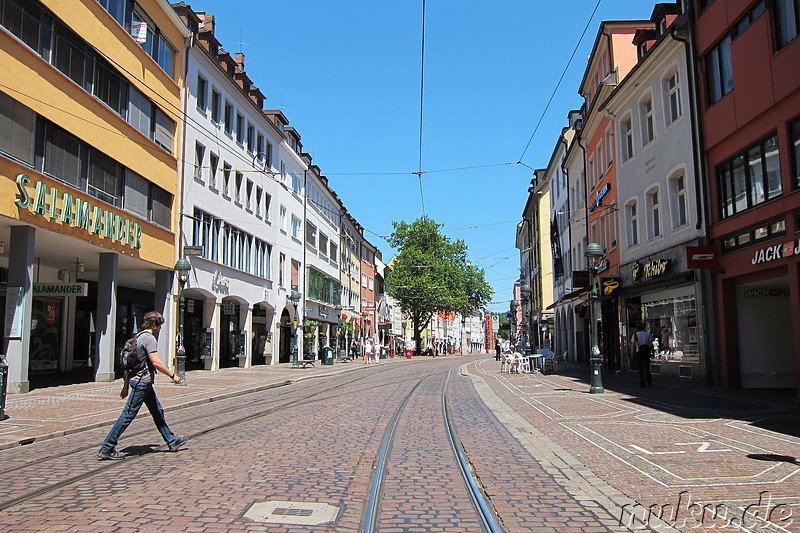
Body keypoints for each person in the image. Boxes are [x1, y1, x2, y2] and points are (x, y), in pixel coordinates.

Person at [96, 311, 188, 460]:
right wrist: (173, 376)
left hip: (140, 381)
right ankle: (107, 447)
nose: (159, 328)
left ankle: (171, 440)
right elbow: (156, 362)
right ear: (153, 324)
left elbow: (132, 365)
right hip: (142, 383)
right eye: (159, 325)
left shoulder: (138, 336)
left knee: (157, 411)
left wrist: (125, 386)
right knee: (128, 415)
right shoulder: (149, 338)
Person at [631, 323, 654, 388]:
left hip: (639, 353)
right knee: (647, 368)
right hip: (646, 352)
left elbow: (633, 346)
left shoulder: (635, 335)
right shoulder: (647, 334)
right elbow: (651, 344)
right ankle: (649, 382)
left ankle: (642, 383)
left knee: (640, 369)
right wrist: (652, 352)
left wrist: (632, 354)